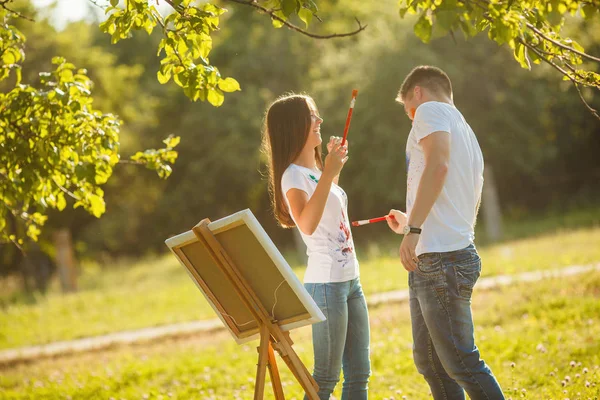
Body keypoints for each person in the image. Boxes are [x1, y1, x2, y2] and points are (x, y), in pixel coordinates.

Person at [386, 66, 505, 400]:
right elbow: (454, 194)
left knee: (461, 363)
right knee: (431, 363)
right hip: (439, 255)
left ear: (419, 93)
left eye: (408, 107)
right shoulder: (464, 128)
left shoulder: (430, 110)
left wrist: (415, 229)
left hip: (443, 261)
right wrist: (410, 222)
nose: (411, 117)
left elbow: (438, 166)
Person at [261, 93, 371, 399]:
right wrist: (330, 175)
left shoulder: (315, 173)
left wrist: (332, 171)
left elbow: (326, 215)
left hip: (351, 281)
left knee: (360, 374)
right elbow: (307, 224)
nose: (319, 121)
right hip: (327, 285)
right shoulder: (292, 177)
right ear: (294, 126)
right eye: (312, 117)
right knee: (325, 379)